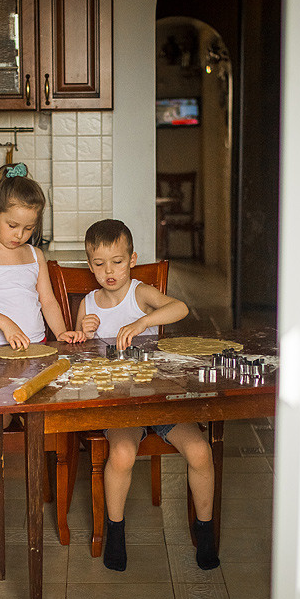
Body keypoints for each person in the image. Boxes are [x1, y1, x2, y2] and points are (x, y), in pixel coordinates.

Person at [74, 218, 219, 571]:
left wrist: (142, 321)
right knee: (122, 454)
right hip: (119, 403)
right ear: (89, 263)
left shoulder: (141, 293)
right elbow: (79, 355)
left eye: (117, 262)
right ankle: (116, 531)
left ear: (132, 259)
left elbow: (180, 308)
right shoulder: (88, 303)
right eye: (99, 264)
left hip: (159, 398)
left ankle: (205, 531)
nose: (109, 271)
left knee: (200, 450)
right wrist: (83, 331)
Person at [0, 162, 85, 348]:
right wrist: (5, 323)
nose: (19, 235)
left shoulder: (36, 255)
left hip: (37, 343)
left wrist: (60, 332)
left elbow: (48, 301)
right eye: (12, 225)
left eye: (28, 228)